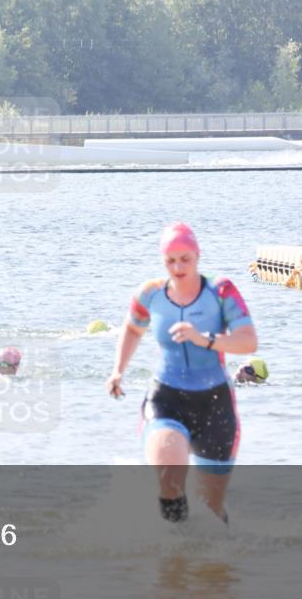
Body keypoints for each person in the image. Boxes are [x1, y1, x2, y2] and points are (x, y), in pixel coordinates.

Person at [106, 223, 258, 525]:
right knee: (169, 475)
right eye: (170, 260)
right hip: (167, 397)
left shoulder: (220, 291)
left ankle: (211, 559)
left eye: (185, 259)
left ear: (197, 256)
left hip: (215, 403)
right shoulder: (150, 293)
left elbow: (248, 340)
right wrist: (117, 371)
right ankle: (173, 546)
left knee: (211, 507)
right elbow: (133, 328)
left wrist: (206, 339)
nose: (177, 267)